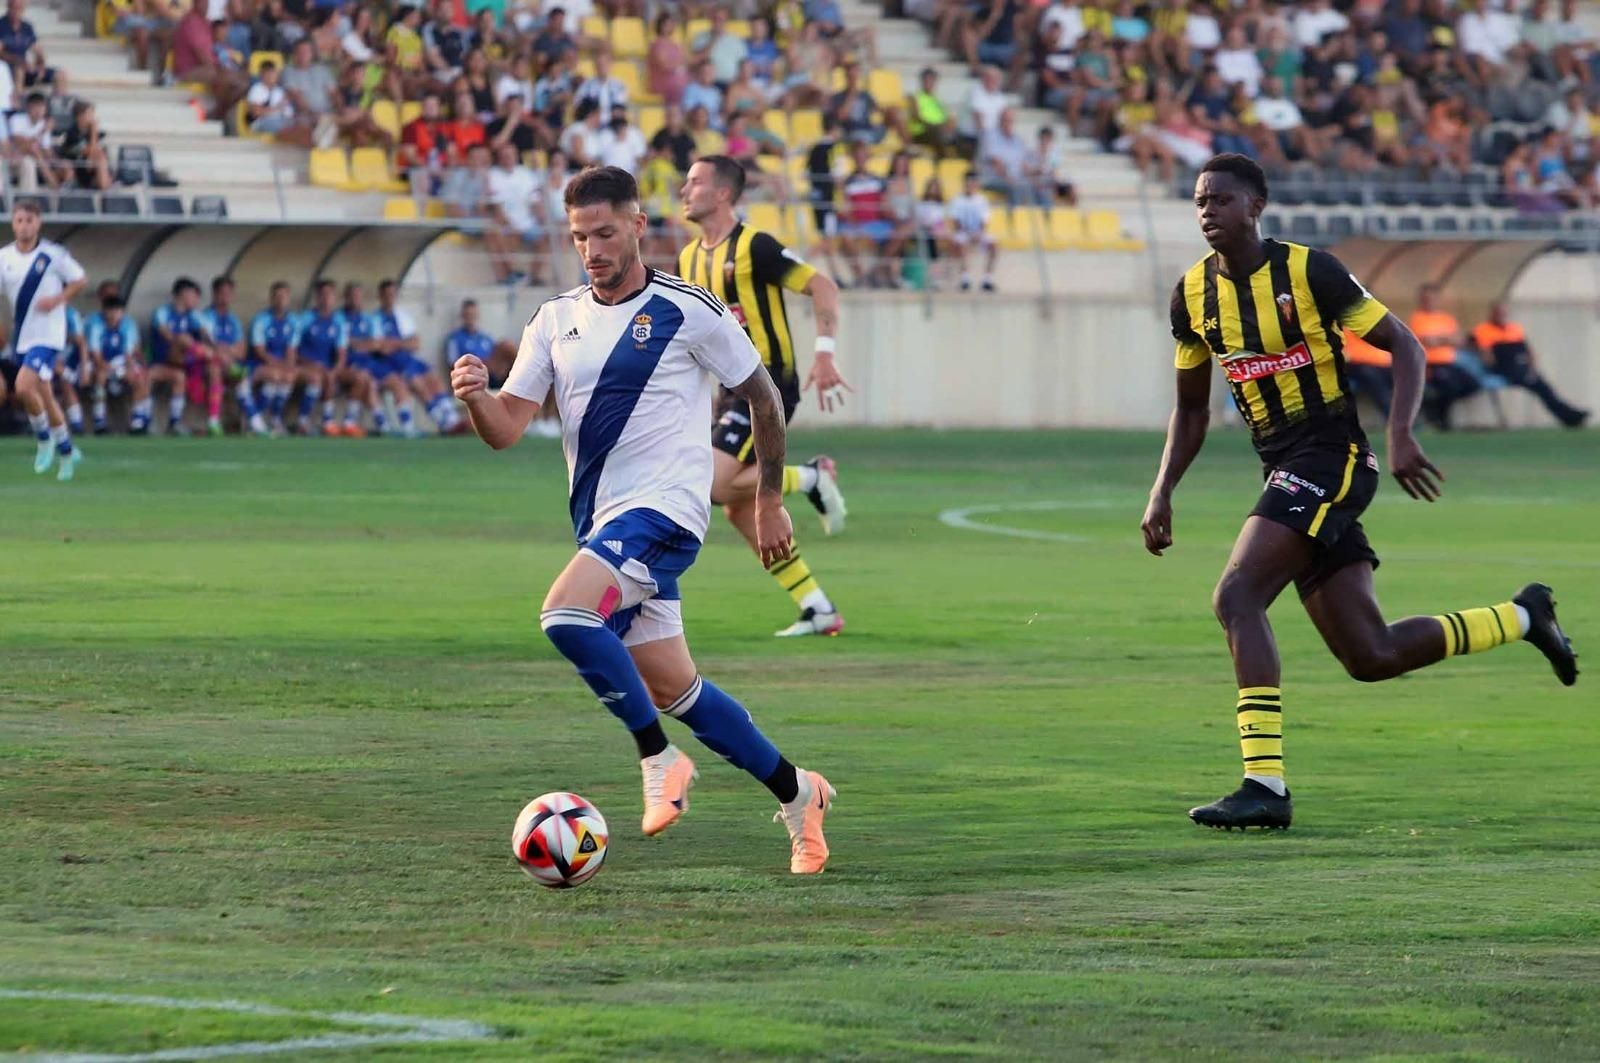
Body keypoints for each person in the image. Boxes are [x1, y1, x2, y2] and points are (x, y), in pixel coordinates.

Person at [1141, 154, 1579, 833]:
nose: (1208, 211)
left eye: (1221, 199)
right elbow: (1192, 409)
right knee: (1371, 655)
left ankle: (1264, 786)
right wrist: (1162, 490)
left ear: (1255, 206)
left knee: (1237, 596)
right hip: (1283, 469)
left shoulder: (1310, 271)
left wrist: (1400, 433)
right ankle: (1524, 617)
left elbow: (1405, 344)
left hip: (1333, 456)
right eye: (1200, 201)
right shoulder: (1191, 297)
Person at [450, 164, 836, 873]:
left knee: (565, 615)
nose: (591, 249)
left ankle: (658, 758)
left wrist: (768, 499)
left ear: (636, 225)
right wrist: (477, 397)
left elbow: (763, 397)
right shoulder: (554, 320)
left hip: (667, 513)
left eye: (604, 233)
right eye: (579, 237)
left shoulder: (688, 309)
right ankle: (798, 793)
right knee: (678, 691)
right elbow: (506, 428)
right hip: (604, 524)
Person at [678, 155, 850, 638]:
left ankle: (811, 477)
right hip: (726, 390)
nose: (684, 190)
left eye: (695, 182)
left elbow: (823, 286)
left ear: (723, 193)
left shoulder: (755, 246)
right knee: (741, 507)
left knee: (714, 485)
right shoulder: (688, 259)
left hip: (767, 384)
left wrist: (824, 352)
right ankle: (817, 607)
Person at [0, 199, 84, 476]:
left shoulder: (53, 255)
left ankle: (44, 440)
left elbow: (79, 279)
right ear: (13, 224)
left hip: (49, 335)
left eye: (29, 220)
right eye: (19, 221)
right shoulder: (4, 257)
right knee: (45, 396)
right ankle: (67, 452)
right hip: (23, 336)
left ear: (38, 223)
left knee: (23, 386)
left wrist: (57, 299)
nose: (24, 226)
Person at [1471, 303, 1588, 428]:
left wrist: (1531, 368)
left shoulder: (1514, 329)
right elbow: (1487, 357)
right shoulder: (1482, 330)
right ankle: (1569, 416)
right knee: (1539, 386)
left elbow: (1528, 351)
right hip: (1501, 369)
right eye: (1499, 313)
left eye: (1504, 313)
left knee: (1544, 387)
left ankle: (1569, 415)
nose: (1502, 316)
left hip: (1520, 367)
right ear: (1492, 314)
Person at [372, 278, 462, 434]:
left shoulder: (402, 316)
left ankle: (452, 419)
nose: (390, 298)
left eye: (392, 294)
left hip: (408, 359)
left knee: (434, 379)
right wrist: (401, 343)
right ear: (380, 296)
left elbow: (415, 343)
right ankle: (444, 423)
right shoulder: (375, 319)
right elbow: (382, 348)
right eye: (386, 295)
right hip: (391, 364)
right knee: (417, 383)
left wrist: (395, 343)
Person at [197, 275, 268, 436]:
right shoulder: (206, 317)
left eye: (229, 293)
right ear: (214, 294)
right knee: (215, 367)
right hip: (203, 366)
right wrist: (227, 350)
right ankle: (213, 421)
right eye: (222, 293)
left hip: (229, 364)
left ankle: (255, 423)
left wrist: (226, 350)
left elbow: (242, 351)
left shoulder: (233, 320)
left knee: (240, 376)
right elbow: (207, 344)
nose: (226, 297)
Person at [295, 277, 363, 435]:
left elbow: (342, 352)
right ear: (317, 297)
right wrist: (309, 363)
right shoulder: (305, 319)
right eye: (323, 295)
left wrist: (336, 369)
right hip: (307, 366)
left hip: (329, 367)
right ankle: (320, 422)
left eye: (330, 295)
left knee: (360, 378)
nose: (326, 299)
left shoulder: (339, 321)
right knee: (321, 377)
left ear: (334, 298)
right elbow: (293, 349)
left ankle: (348, 423)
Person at [1408, 284, 1480, 431]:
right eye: (1426, 298)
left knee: (1473, 384)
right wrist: (1445, 339)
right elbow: (1424, 341)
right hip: (1430, 364)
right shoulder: (1416, 318)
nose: (1429, 301)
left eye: (1432, 298)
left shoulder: (1447, 319)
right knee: (1448, 385)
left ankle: (1434, 405)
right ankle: (1442, 420)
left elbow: (1459, 340)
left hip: (1450, 363)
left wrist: (1439, 340)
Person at [148, 275, 214, 435]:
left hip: (184, 363)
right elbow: (168, 337)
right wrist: (198, 348)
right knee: (184, 339)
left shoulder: (194, 315)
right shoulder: (162, 312)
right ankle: (144, 422)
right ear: (184, 293)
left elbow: (209, 338)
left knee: (188, 374)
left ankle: (176, 423)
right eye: (194, 295)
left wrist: (209, 345)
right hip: (164, 359)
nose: (196, 300)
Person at [248, 280, 303, 435]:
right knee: (275, 375)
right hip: (259, 364)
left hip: (281, 365)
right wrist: (280, 365)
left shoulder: (294, 321)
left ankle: (275, 418)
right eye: (277, 296)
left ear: (288, 299)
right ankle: (256, 417)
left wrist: (289, 366)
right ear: (271, 299)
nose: (281, 300)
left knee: (290, 376)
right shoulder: (261, 319)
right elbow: (260, 351)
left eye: (284, 297)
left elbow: (291, 350)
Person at [86, 293, 143, 436]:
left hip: (119, 363)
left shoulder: (128, 324)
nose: (113, 315)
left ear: (122, 312)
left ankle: (137, 422)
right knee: (100, 376)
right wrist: (107, 369)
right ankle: (99, 422)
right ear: (104, 311)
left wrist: (128, 370)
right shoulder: (95, 324)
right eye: (110, 311)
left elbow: (129, 353)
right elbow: (95, 354)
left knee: (139, 378)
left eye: (117, 311)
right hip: (97, 363)